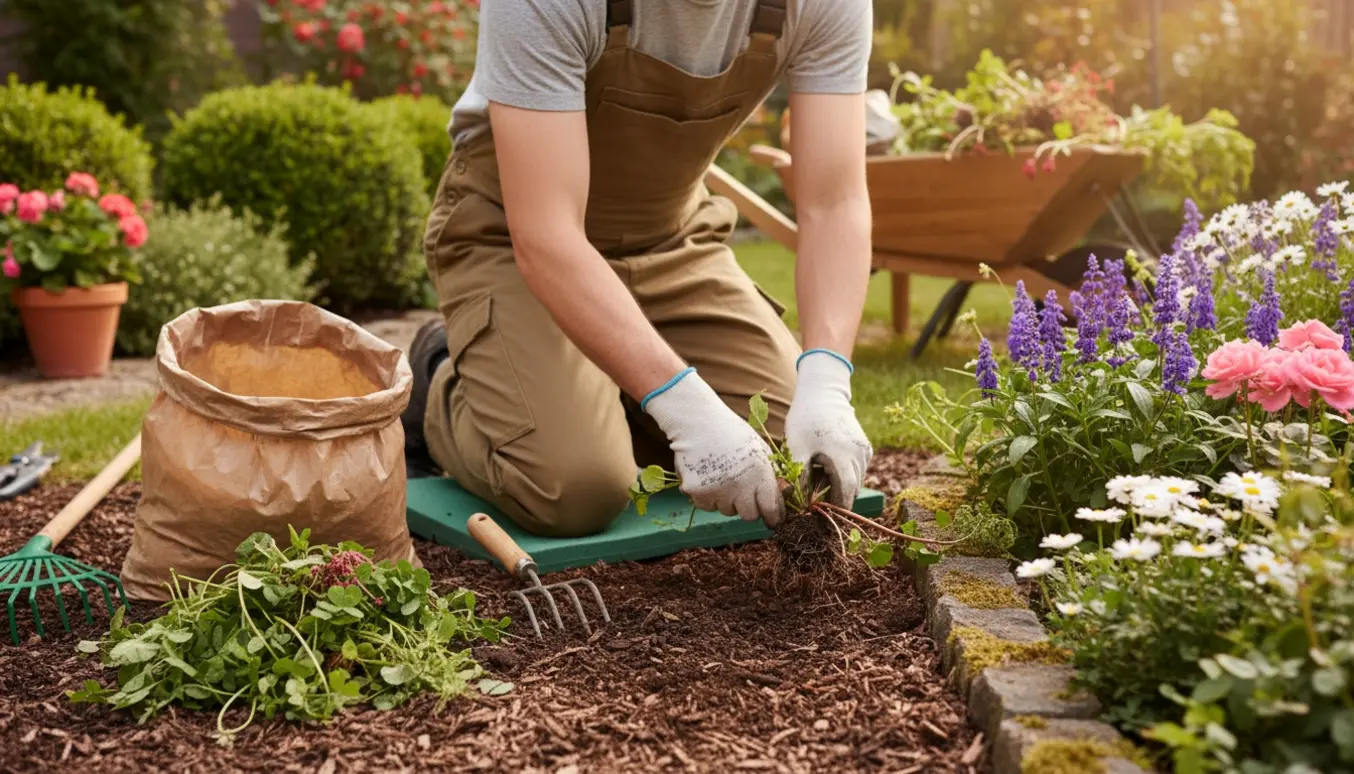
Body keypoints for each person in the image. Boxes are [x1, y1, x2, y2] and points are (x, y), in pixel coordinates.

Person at [402, 0, 875, 538]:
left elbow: (833, 202)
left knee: (788, 458)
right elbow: (547, 234)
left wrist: (827, 380)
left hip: (671, 241)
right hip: (514, 237)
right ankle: (439, 378)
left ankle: (605, 393)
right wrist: (687, 409)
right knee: (575, 490)